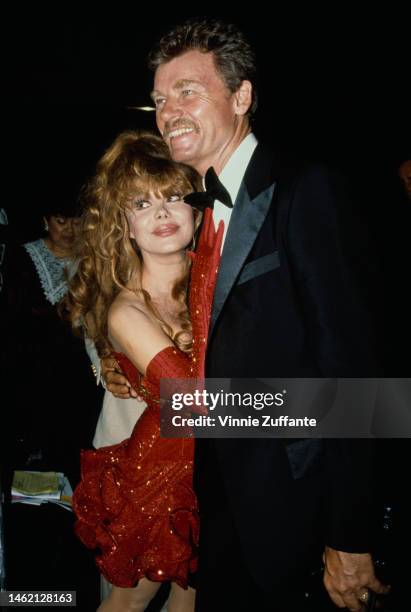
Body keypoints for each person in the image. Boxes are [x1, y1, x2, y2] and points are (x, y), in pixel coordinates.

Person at [103, 19, 389, 611]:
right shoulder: (198, 220)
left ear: (242, 97)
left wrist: (351, 532)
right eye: (159, 98)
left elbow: (359, 379)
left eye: (188, 90)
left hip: (294, 504)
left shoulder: (307, 191)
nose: (168, 110)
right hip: (219, 501)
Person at [65, 130, 223, 612]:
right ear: (124, 225)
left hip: (213, 464)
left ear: (197, 210)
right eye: (141, 203)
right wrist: (350, 411)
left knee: (190, 599)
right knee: (128, 603)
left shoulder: (217, 275)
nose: (160, 212)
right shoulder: (126, 310)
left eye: (174, 196)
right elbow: (194, 399)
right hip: (160, 471)